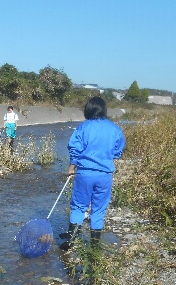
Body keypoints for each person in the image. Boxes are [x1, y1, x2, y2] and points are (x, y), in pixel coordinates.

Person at [59, 96, 125, 251]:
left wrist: (71, 168)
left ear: (88, 109)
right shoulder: (114, 128)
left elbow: (75, 149)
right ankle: (95, 246)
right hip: (104, 174)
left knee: (78, 206)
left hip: (85, 173)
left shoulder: (83, 127)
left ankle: (71, 241)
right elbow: (118, 151)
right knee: (99, 209)